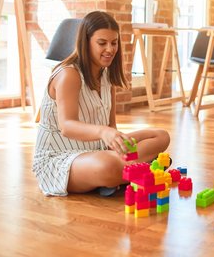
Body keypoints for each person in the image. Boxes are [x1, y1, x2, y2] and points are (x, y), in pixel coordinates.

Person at [32, 11, 170, 196]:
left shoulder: (106, 75)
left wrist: (115, 140)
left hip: (98, 150)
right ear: (86, 42)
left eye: (114, 43)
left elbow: (110, 124)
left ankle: (125, 171)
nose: (110, 49)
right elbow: (67, 126)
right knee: (108, 164)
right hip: (60, 159)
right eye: (102, 43)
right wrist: (103, 132)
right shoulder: (68, 75)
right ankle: (139, 167)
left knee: (160, 136)